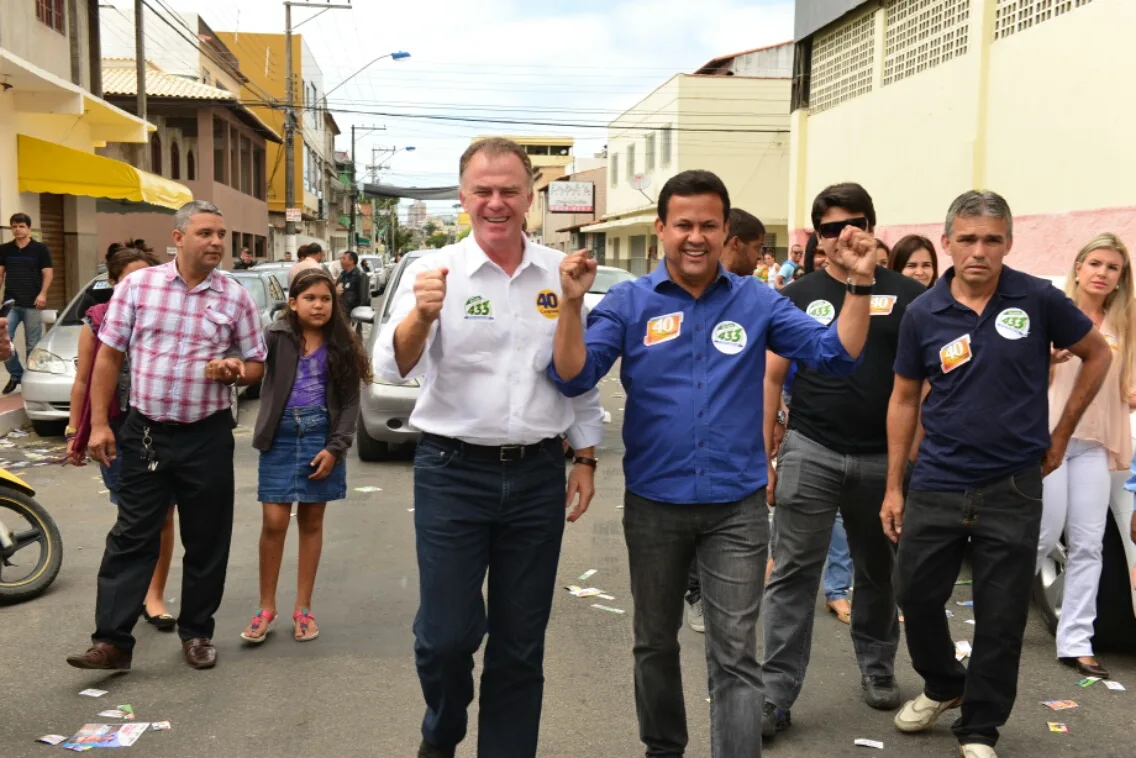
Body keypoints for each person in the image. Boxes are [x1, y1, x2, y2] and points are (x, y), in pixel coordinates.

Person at [551, 169, 879, 758]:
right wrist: (572, 306)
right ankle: (663, 749)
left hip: (737, 506)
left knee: (735, 652)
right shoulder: (628, 302)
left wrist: (858, 284)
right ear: (661, 230)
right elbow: (573, 373)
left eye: (708, 225)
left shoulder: (758, 301)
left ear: (726, 231)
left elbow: (835, 356)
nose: (695, 237)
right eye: (683, 225)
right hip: (655, 505)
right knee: (654, 643)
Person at [373, 137, 604, 758]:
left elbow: (575, 376)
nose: (496, 203)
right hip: (452, 471)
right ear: (463, 196)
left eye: (509, 191)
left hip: (535, 476)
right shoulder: (434, 271)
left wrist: (584, 454)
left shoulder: (561, 274)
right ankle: (442, 731)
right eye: (483, 191)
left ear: (531, 197)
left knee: (520, 642)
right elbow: (390, 369)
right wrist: (421, 317)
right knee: (445, 639)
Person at [883, 191, 1112, 758]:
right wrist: (894, 485)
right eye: (967, 239)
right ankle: (944, 683)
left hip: (1012, 483)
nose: (979, 251)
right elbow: (905, 398)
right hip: (936, 479)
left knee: (1002, 612)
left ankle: (980, 727)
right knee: (912, 591)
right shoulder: (923, 313)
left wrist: (1060, 438)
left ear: (1008, 242)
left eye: (991, 240)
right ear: (948, 243)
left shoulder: (1036, 299)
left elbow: (1097, 353)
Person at [65, 200, 267, 673]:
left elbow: (257, 363)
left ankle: (197, 632)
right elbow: (109, 357)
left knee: (206, 539)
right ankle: (112, 641)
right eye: (205, 233)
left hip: (208, 435)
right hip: (146, 433)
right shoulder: (138, 286)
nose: (217, 241)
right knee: (132, 536)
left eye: (221, 233)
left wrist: (236, 370)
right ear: (178, 238)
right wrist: (97, 424)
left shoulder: (235, 297)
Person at [760, 183, 928, 738]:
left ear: (873, 227)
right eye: (830, 229)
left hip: (885, 457)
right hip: (812, 449)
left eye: (854, 223)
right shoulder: (797, 294)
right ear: (819, 238)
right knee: (792, 576)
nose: (844, 235)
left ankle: (878, 668)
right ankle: (776, 693)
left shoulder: (908, 296)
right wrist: (765, 453)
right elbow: (772, 376)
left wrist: (911, 466)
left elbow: (922, 388)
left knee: (878, 573)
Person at [242, 269, 369, 644]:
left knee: (311, 521)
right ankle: (267, 607)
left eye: (326, 299)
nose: (319, 305)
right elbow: (250, 369)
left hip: (321, 436)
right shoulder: (275, 337)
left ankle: (303, 608)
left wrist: (335, 448)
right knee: (274, 521)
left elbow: (349, 402)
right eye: (310, 298)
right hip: (279, 436)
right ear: (293, 303)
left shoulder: (344, 343)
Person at [1037, 233, 1135, 679]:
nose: (1102, 273)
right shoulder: (1053, 312)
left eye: (1112, 267)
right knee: (1041, 535)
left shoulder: (1124, 324)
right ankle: (996, 613)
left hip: (1094, 444)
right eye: (1095, 263)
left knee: (1089, 544)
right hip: (1049, 437)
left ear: (1120, 279)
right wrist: (1048, 361)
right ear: (1078, 267)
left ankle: (1076, 641)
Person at [66, 247, 178, 631]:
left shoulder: (168, 316)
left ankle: (154, 596)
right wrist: (76, 430)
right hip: (116, 429)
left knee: (164, 514)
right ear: (114, 284)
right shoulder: (96, 322)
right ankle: (127, 597)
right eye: (130, 279)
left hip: (160, 428)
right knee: (132, 520)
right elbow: (83, 381)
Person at [686, 207, 767, 633]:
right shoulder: (650, 299)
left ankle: (707, 592)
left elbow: (829, 352)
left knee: (735, 641)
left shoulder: (758, 299)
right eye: (756, 248)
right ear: (734, 242)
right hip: (673, 471)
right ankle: (695, 590)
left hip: (736, 465)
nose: (759, 258)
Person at [0, 213, 54, 395]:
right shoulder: (5, 249)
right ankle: (16, 375)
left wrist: (43, 294)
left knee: (33, 344)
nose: (17, 229)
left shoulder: (40, 249)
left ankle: (32, 381)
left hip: (33, 303)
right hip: (11, 303)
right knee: (3, 341)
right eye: (14, 226)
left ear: (29, 228)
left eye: (21, 226)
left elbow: (48, 273)